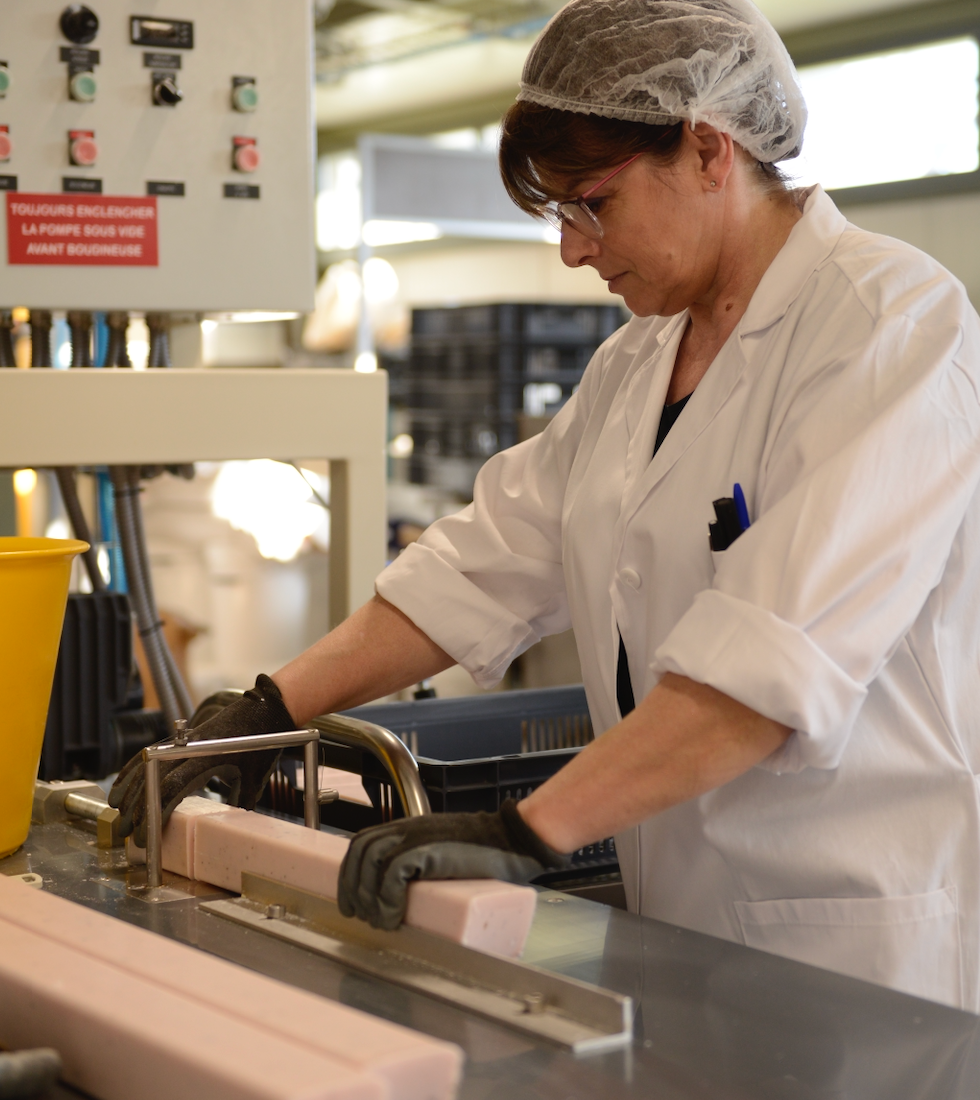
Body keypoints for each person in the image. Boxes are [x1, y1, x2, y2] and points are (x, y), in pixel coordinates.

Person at [111, 0, 980, 1011]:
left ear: (706, 149)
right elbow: (479, 564)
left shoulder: (891, 329)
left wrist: (527, 830)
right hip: (689, 933)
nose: (571, 249)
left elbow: (770, 667)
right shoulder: (636, 360)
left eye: (591, 203)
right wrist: (264, 707)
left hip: (855, 946)